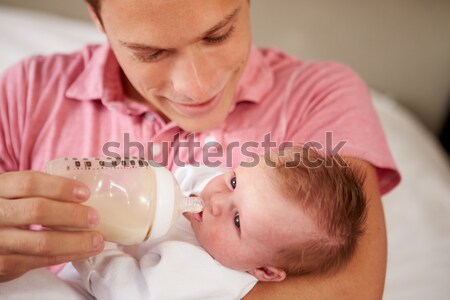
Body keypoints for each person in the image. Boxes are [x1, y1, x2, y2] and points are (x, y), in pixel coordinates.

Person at [0, 0, 400, 298]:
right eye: (150, 52)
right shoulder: (26, 93)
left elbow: (349, 292)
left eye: (218, 34)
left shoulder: (319, 95)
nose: (196, 87)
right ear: (96, 15)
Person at [0, 147, 367, 300]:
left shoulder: (205, 278)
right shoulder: (213, 203)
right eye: (235, 180)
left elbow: (126, 290)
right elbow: (190, 173)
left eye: (238, 220)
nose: (218, 200)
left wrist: (90, 242)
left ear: (264, 270)